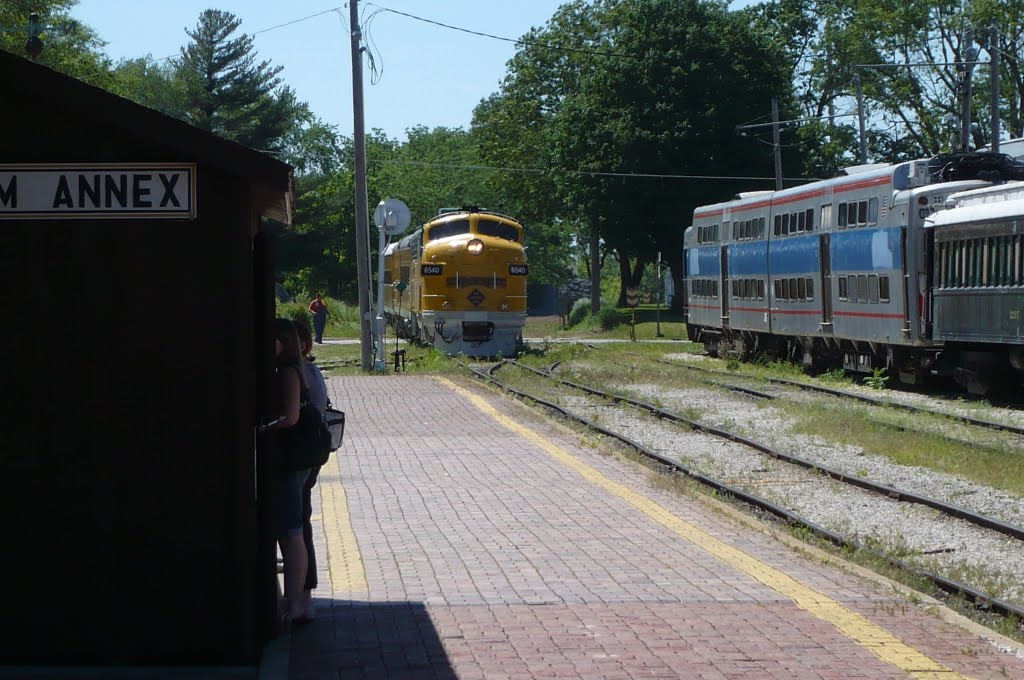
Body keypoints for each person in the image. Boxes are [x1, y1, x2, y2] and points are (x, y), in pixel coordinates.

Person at [272, 317, 312, 627]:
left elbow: (290, 417)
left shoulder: (287, 372)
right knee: (291, 530)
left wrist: (260, 429)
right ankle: (295, 600)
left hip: (288, 461)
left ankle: (294, 602)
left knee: (291, 532)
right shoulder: (298, 369)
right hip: (297, 460)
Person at [294, 321, 328, 623]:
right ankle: (301, 596)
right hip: (305, 459)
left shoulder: (305, 375)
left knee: (298, 527)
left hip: (300, 460)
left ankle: (303, 597)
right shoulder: (309, 373)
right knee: (299, 526)